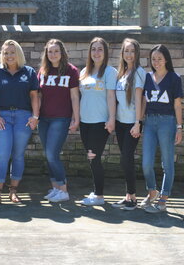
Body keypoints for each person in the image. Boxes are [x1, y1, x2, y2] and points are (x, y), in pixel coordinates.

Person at [0, 40, 40, 207]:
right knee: (2, 155)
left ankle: (14, 191)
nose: (9, 56)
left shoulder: (29, 72)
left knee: (17, 155)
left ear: (19, 53)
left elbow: (34, 96)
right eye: (6, 53)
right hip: (2, 116)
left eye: (12, 52)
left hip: (23, 117)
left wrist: (35, 116)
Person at [140, 44, 183, 213]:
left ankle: (163, 198)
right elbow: (144, 101)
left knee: (167, 162)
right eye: (153, 59)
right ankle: (152, 191)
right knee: (146, 163)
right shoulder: (147, 78)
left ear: (166, 59)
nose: (156, 62)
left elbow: (178, 105)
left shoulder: (174, 78)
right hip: (149, 122)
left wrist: (179, 127)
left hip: (167, 122)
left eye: (159, 58)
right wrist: (139, 121)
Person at [37, 39, 80, 203]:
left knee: (52, 154)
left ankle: (63, 190)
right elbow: (39, 96)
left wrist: (76, 118)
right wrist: (36, 115)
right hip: (44, 119)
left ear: (62, 53)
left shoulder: (71, 71)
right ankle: (55, 188)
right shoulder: (43, 71)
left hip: (61, 118)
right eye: (50, 51)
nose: (52, 54)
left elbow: (75, 96)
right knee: (49, 155)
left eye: (56, 51)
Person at [78, 37, 117, 206]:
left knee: (94, 157)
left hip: (100, 122)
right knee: (91, 157)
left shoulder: (110, 72)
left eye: (100, 49)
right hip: (84, 122)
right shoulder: (84, 72)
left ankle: (99, 196)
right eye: (93, 49)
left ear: (105, 52)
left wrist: (111, 119)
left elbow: (111, 96)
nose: (96, 52)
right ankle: (96, 191)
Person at [111, 38, 146, 211]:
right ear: (122, 53)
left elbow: (139, 100)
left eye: (132, 51)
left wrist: (138, 123)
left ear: (137, 53)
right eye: (126, 51)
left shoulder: (139, 72)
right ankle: (128, 196)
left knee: (127, 159)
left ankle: (133, 197)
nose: (129, 54)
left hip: (132, 124)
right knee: (125, 160)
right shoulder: (121, 73)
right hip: (120, 123)